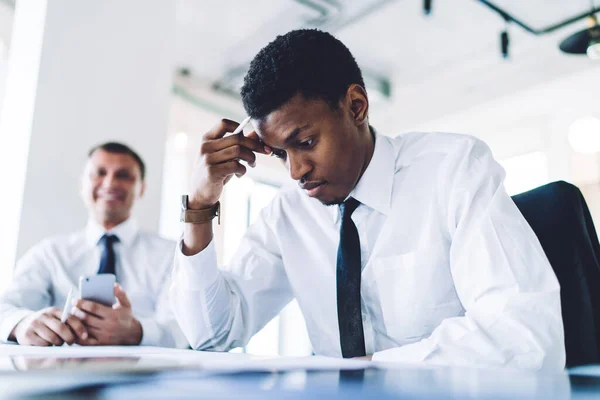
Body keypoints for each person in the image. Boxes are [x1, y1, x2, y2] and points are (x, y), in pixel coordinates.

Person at [170, 29, 565, 369]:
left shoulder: (454, 170)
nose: (295, 172)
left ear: (356, 107)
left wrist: (370, 372)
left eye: (305, 143)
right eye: (280, 154)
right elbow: (213, 336)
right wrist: (200, 207)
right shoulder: (288, 215)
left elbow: (525, 337)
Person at [0, 142, 187, 348]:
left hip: (145, 375)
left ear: (141, 188)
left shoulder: (173, 254)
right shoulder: (50, 253)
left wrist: (137, 331)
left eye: (123, 175)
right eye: (99, 173)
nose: (109, 183)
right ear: (82, 184)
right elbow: (5, 308)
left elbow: (184, 328)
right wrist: (21, 323)